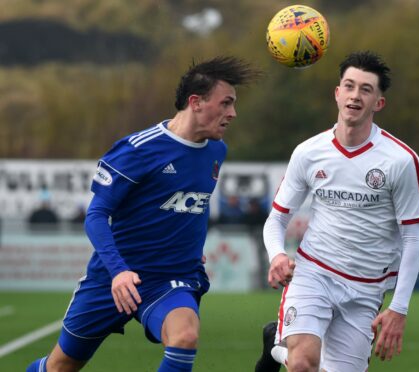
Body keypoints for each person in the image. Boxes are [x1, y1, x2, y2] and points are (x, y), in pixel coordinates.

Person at [27, 56, 260, 372]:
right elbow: (96, 215)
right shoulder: (137, 150)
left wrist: (191, 247)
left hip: (171, 278)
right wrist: (118, 270)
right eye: (226, 103)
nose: (232, 113)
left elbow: (193, 205)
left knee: (185, 337)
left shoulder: (216, 151)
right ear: (196, 102)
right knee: (60, 366)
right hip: (113, 277)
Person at [254, 51, 419, 372]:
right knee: (304, 364)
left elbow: (414, 238)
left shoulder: (401, 161)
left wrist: (399, 309)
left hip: (367, 288)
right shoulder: (309, 153)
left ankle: (274, 344)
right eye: (349, 86)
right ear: (337, 94)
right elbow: (277, 218)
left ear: (378, 103)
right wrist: (277, 255)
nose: (355, 95)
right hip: (314, 273)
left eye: (366, 89)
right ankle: (288, 352)